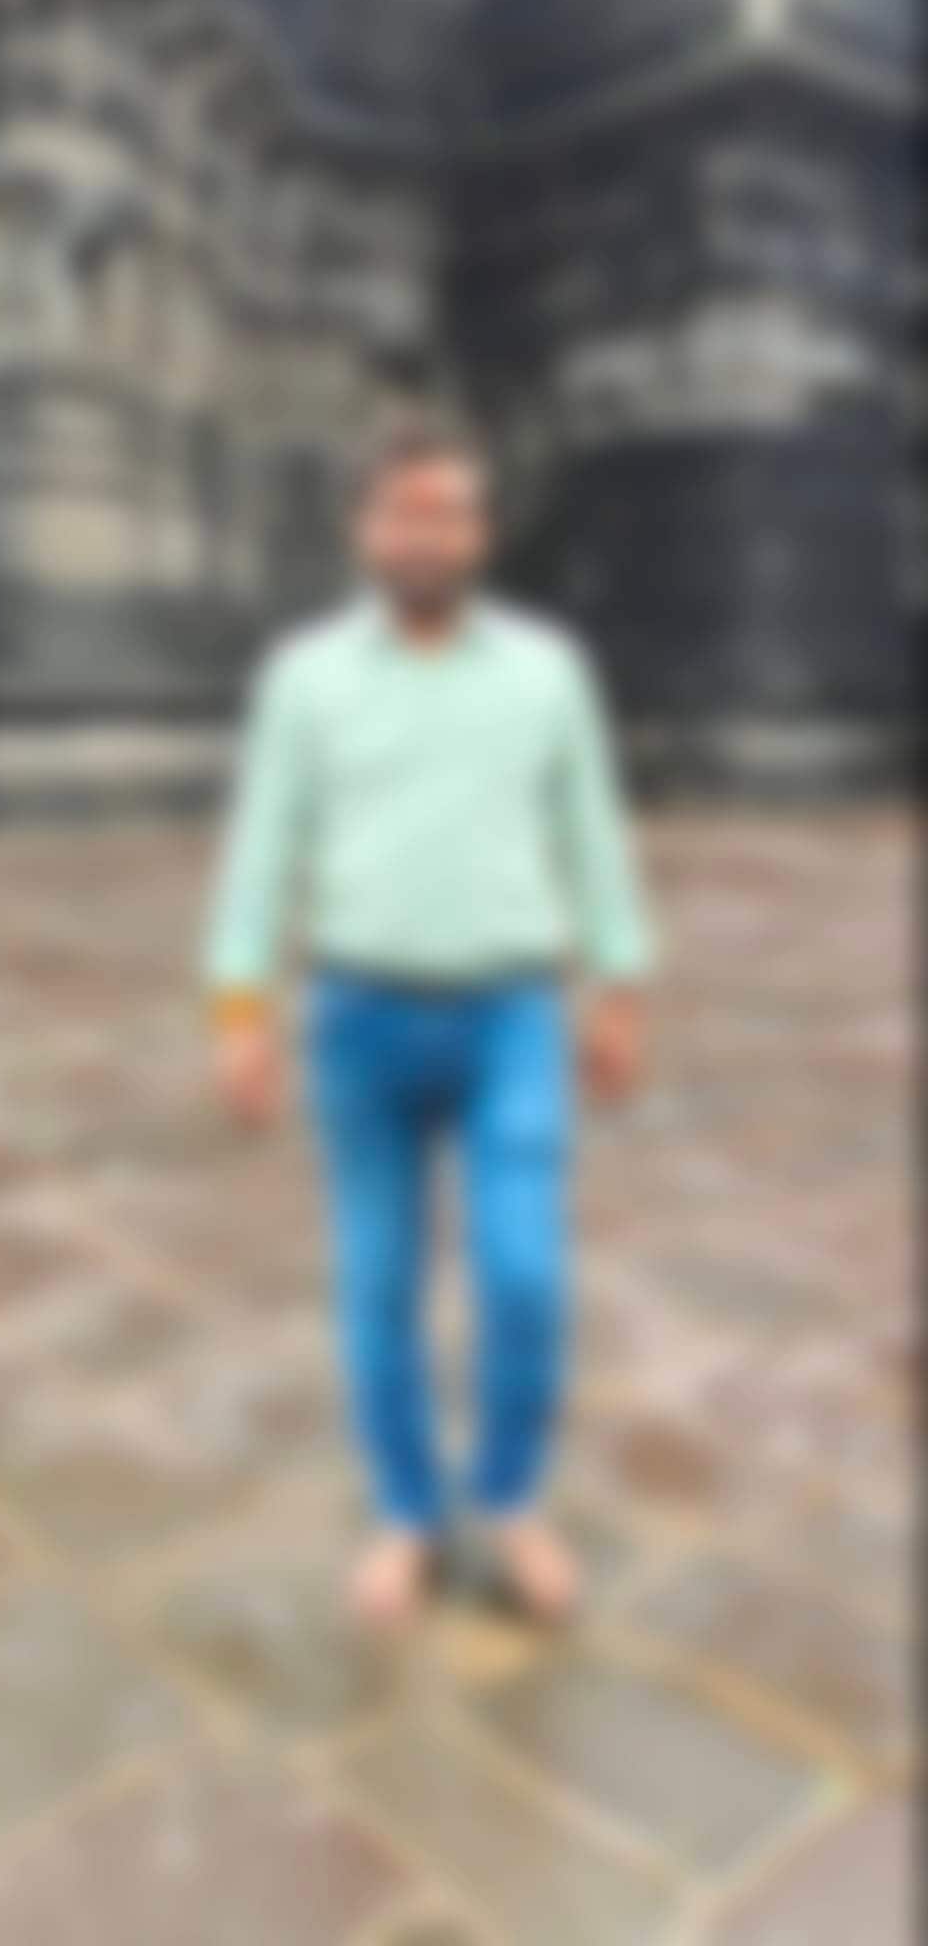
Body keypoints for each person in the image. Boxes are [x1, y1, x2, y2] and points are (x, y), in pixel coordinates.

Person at [200, 408, 657, 1628]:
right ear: (363, 529)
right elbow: (261, 851)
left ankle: (508, 1496)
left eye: (449, 512)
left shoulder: (548, 670)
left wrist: (618, 984)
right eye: (402, 512)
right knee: (377, 1279)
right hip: (359, 1015)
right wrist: (240, 1009)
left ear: (482, 530)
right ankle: (406, 1508)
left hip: (514, 1013)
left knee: (525, 1271)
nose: (425, 534)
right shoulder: (303, 678)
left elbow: (593, 834)